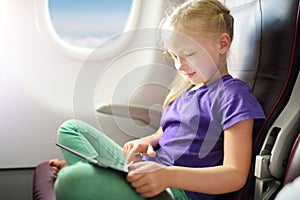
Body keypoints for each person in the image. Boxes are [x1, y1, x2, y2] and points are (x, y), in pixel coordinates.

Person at [49, 0, 266, 199]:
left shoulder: (233, 96)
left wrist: (167, 176)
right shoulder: (188, 92)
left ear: (222, 44)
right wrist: (147, 141)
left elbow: (234, 175)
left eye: (188, 54)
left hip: (174, 191)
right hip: (149, 170)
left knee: (71, 180)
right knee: (71, 129)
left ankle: (88, 175)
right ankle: (96, 174)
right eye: (173, 56)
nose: (179, 65)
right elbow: (165, 133)